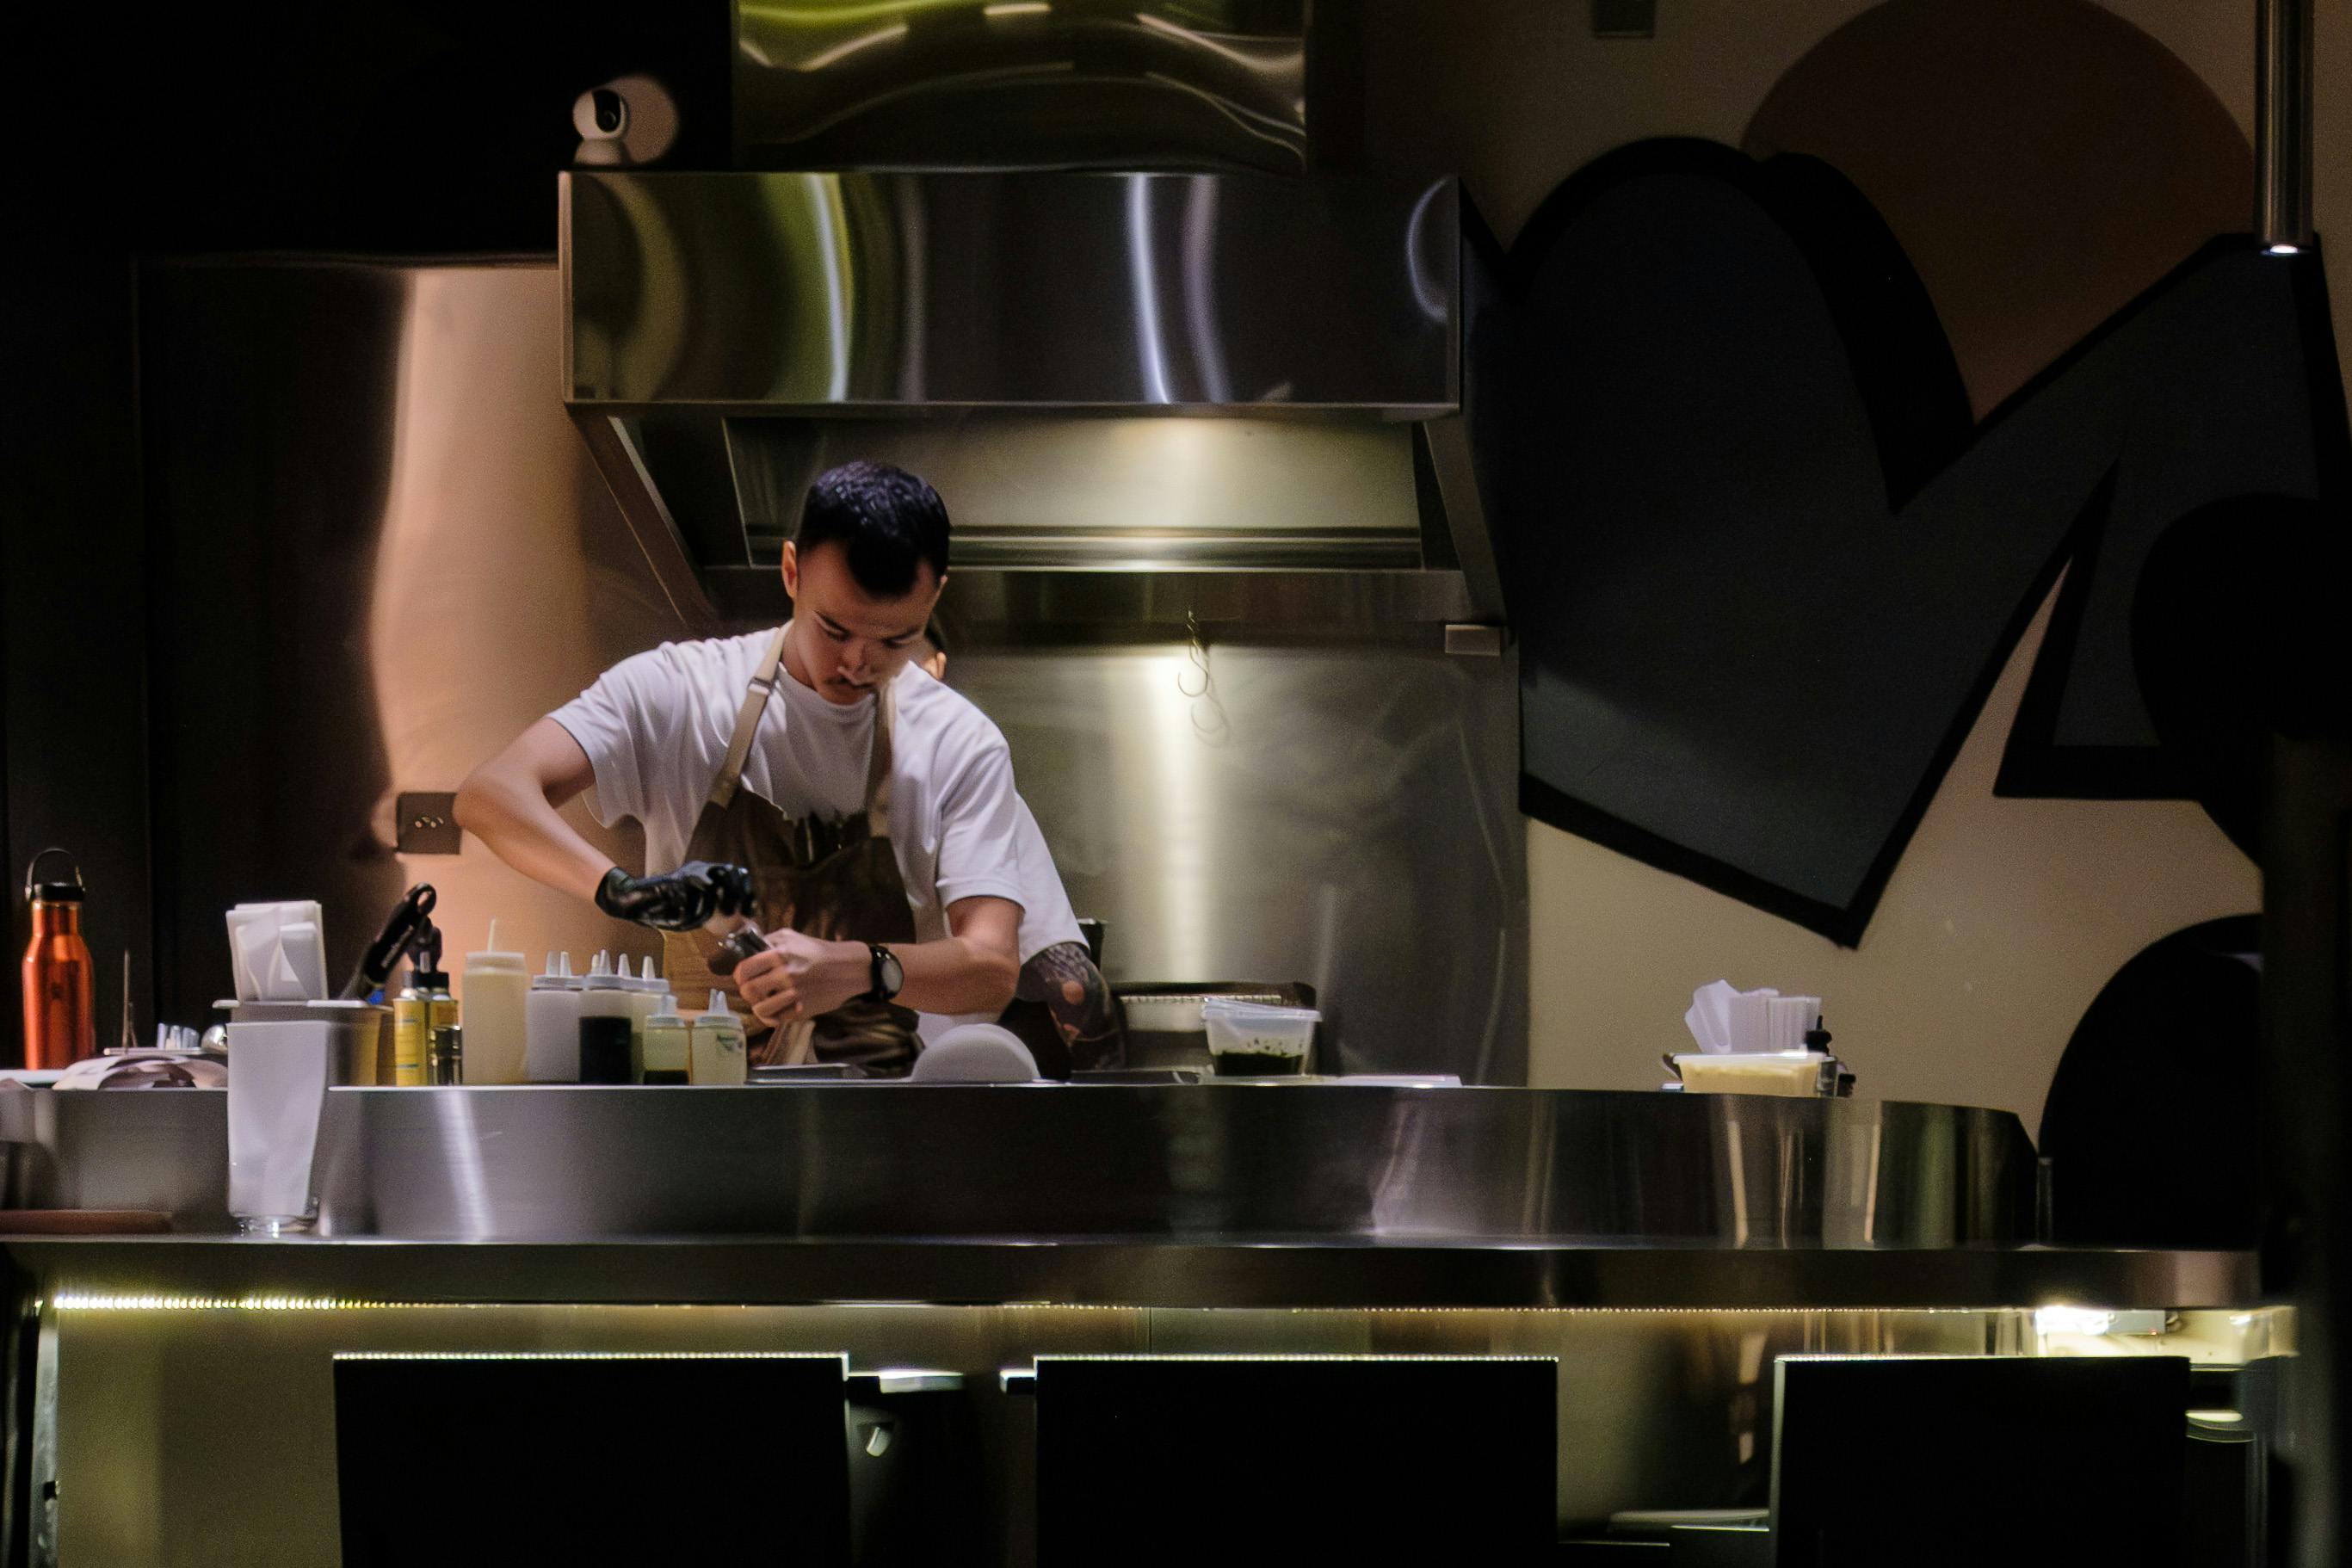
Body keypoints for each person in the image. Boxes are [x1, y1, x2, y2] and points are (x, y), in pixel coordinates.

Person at [455, 460, 1048, 1076]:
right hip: (691, 1107)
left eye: (897, 640)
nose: (857, 663)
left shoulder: (960, 741)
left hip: (877, 1115)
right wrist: (623, 891)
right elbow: (490, 795)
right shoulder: (677, 689)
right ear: (791, 572)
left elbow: (991, 969)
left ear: (935, 597)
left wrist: (859, 967)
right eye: (834, 629)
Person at [913, 626, 1120, 1071]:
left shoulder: (969, 780)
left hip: (925, 1078)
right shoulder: (962, 783)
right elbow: (1075, 988)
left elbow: (1072, 985)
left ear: (936, 671)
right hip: (941, 1082)